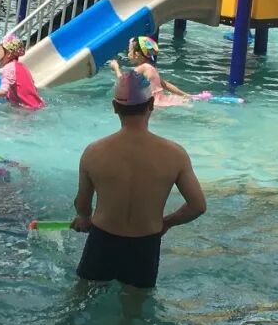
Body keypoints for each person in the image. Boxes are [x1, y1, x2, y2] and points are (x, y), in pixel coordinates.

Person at [72, 72, 206, 292]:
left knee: (82, 296)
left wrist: (83, 218)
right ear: (151, 104)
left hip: (102, 240)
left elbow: (83, 203)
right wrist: (167, 223)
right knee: (135, 305)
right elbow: (198, 206)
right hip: (145, 244)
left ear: (115, 107)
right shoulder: (175, 154)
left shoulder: (93, 152)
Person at [108, 35, 191, 108]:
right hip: (161, 100)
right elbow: (165, 85)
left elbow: (123, 81)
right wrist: (185, 94)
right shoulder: (151, 67)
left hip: (152, 104)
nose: (128, 54)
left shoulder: (142, 68)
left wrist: (116, 68)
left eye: (129, 51)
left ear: (136, 55)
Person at [0, 35, 45, 110]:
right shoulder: (22, 66)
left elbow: (3, 91)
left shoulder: (9, 68)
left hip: (26, 109)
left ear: (9, 53)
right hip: (39, 104)